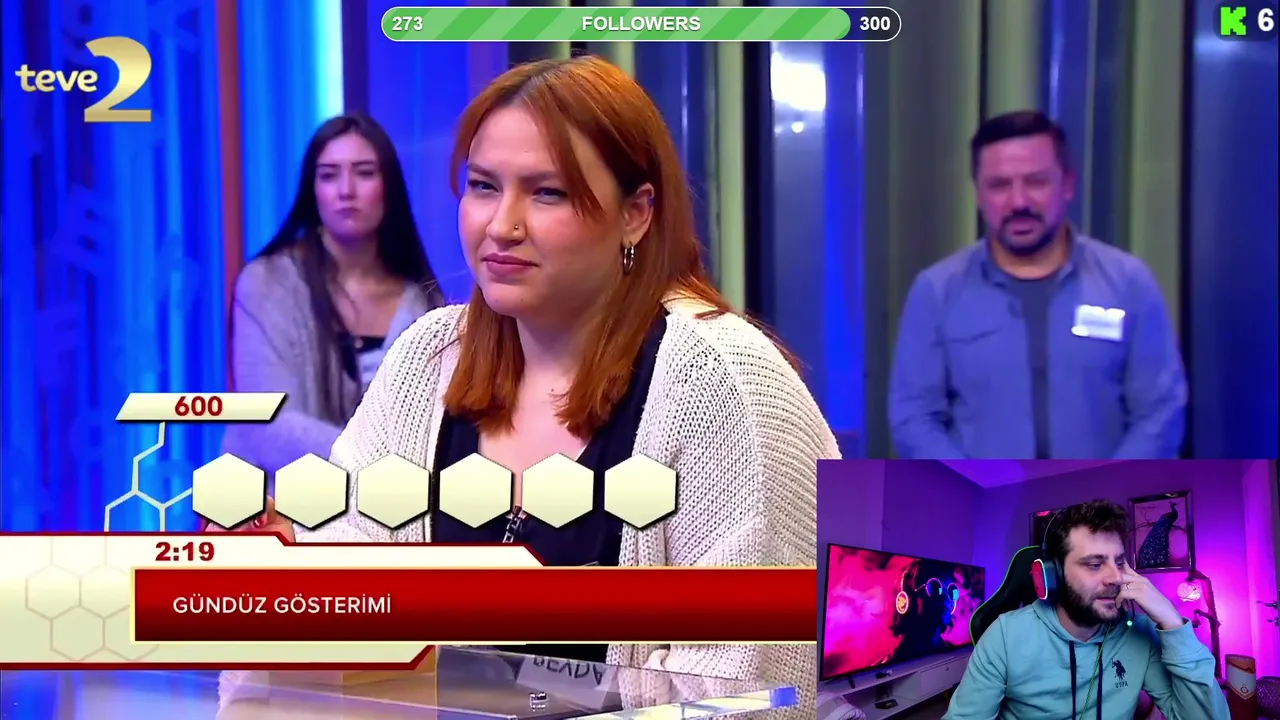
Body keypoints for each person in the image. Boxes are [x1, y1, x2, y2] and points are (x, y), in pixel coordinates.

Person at [213, 56, 836, 716]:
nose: (501, 226)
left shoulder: (725, 384)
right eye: (483, 186)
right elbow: (347, 602)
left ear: (635, 214)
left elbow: (750, 693)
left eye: (547, 193)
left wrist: (474, 681)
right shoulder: (427, 359)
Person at [889, 111, 1186, 460]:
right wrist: (974, 487)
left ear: (1068, 185)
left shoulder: (1128, 283)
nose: (1019, 202)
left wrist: (1110, 488)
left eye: (1036, 182)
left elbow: (1161, 411)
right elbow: (914, 419)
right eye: (999, 185)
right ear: (978, 195)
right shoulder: (936, 292)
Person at [221, 113, 445, 472]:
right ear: (312, 191)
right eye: (328, 175)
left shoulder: (424, 304)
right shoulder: (268, 283)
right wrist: (370, 461)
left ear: (389, 187)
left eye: (364, 173)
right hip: (279, 496)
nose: (346, 191)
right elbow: (266, 422)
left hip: (389, 502)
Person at [944, 500, 1228, 720]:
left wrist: (1173, 624)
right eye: (1094, 564)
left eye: (1119, 562)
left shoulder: (1140, 634)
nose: (1116, 578)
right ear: (1053, 575)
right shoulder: (1006, 635)